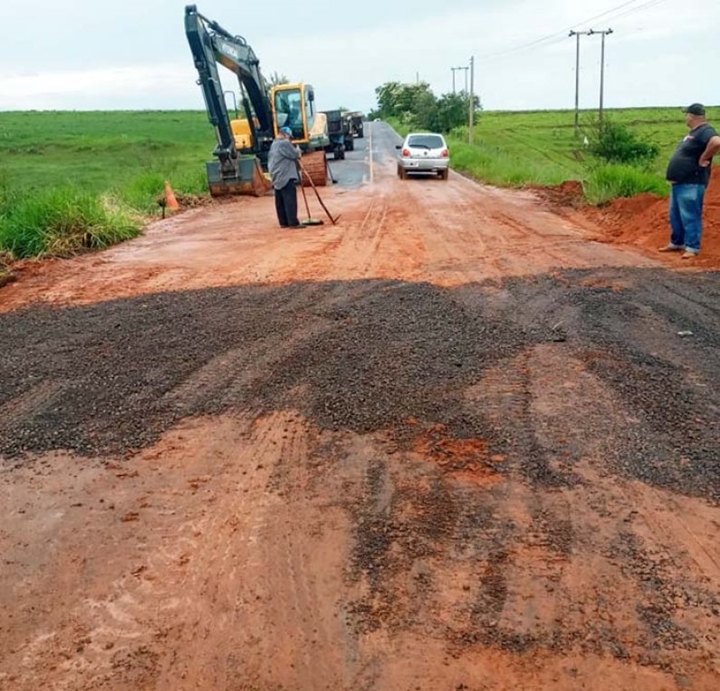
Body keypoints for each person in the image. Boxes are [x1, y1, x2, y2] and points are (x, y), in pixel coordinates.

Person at [660, 103, 720, 258]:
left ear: (692, 116)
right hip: (680, 183)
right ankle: (677, 242)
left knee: (690, 215)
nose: (685, 118)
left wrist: (703, 158)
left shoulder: (705, 130)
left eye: (686, 114)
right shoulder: (693, 133)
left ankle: (692, 247)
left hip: (692, 182)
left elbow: (716, 142)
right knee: (676, 216)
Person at [268, 126, 305, 228]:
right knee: (290, 198)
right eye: (289, 136)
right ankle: (293, 222)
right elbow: (294, 154)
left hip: (276, 175)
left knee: (280, 200)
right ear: (285, 134)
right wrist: (298, 150)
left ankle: (283, 222)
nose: (290, 138)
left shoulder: (274, 144)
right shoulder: (284, 143)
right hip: (285, 175)